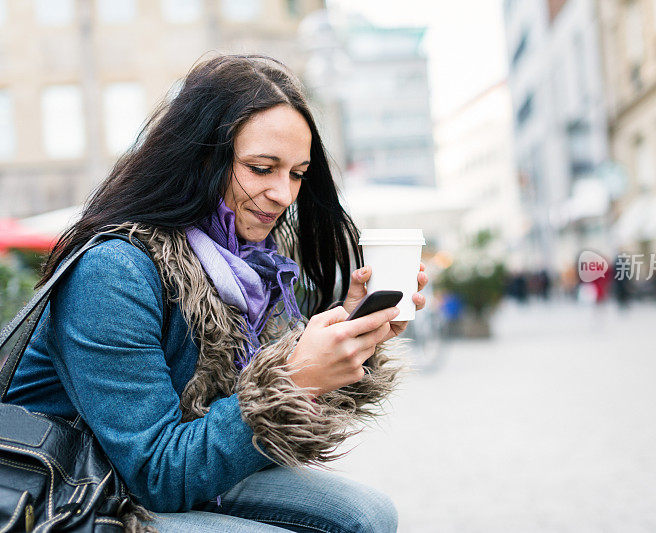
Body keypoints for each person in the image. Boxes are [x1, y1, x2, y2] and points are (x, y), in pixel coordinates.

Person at [5, 55, 428, 532]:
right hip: (74, 495)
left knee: (368, 515)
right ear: (201, 159)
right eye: (262, 167)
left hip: (154, 472)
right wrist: (294, 379)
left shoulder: (254, 265)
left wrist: (352, 332)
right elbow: (156, 472)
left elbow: (246, 420)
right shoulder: (114, 271)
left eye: (297, 173)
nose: (284, 194)